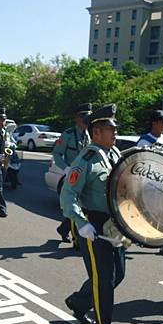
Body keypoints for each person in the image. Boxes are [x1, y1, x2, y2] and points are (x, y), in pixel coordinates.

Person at [60, 104, 128, 324]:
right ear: (96, 131)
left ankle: (78, 302)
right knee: (105, 282)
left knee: (117, 274)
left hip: (114, 225)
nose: (115, 132)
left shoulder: (112, 155)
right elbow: (68, 195)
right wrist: (80, 222)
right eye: (111, 128)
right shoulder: (85, 159)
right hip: (94, 226)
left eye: (115, 128)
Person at [136, 109, 163, 255]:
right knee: (157, 213)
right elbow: (140, 163)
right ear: (154, 123)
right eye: (162, 122)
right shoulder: (144, 141)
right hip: (150, 184)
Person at [52, 103, 92, 247]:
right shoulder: (68, 135)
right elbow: (56, 154)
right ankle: (77, 241)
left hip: (86, 178)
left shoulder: (92, 135)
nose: (86, 120)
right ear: (76, 118)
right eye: (83, 117)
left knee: (81, 208)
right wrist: (66, 168)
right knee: (75, 206)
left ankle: (63, 229)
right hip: (71, 177)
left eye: (88, 116)